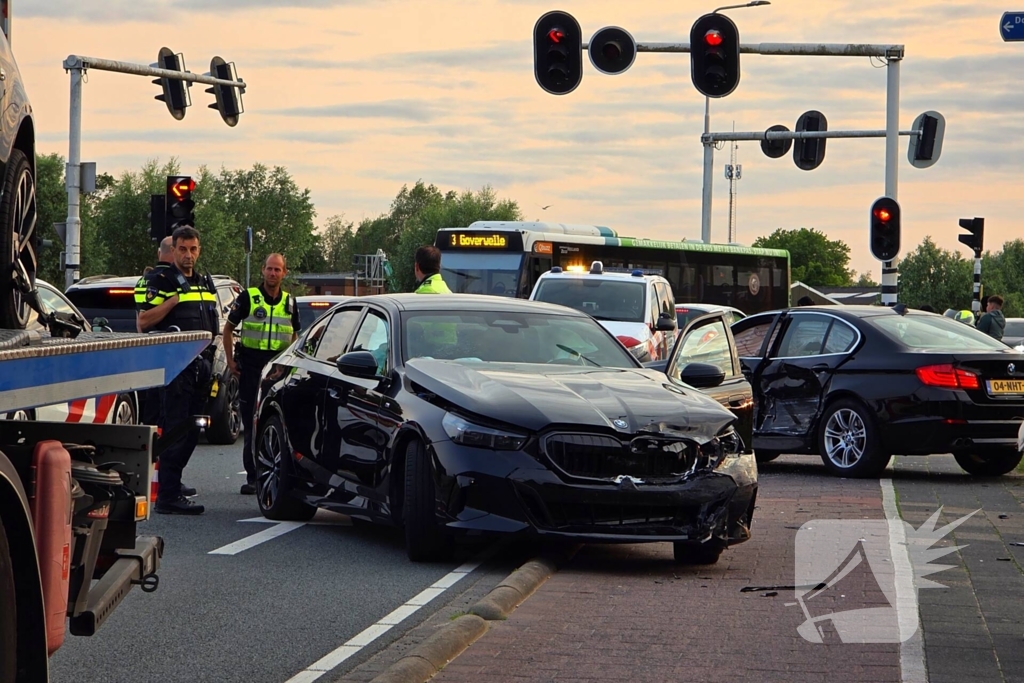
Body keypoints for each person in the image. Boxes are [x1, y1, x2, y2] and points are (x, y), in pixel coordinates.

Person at [136, 226, 219, 515]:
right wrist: (174, 300)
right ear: (173, 251)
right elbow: (143, 322)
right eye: (182, 249)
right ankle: (168, 495)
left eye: (193, 249)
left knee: (195, 430)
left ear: (199, 250)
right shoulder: (162, 280)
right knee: (176, 430)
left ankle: (174, 483)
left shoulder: (205, 282)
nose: (188, 255)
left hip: (202, 366)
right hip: (175, 369)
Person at [223, 254, 299, 495]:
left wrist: (287, 364)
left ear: (284, 273)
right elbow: (228, 329)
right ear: (262, 270)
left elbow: (295, 336)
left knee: (275, 421)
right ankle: (253, 476)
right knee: (251, 423)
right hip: (251, 368)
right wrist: (230, 361)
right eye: (269, 269)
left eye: (277, 270)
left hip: (276, 371)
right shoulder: (249, 297)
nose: (273, 273)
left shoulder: (290, 302)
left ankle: (274, 470)